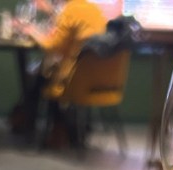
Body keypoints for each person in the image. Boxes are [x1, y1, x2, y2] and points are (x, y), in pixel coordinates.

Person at [17, 0, 106, 143]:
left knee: (44, 77)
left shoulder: (70, 11)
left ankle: (47, 127)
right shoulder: (96, 11)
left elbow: (52, 46)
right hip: (98, 79)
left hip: (72, 80)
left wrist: (31, 31)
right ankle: (59, 128)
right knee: (45, 73)